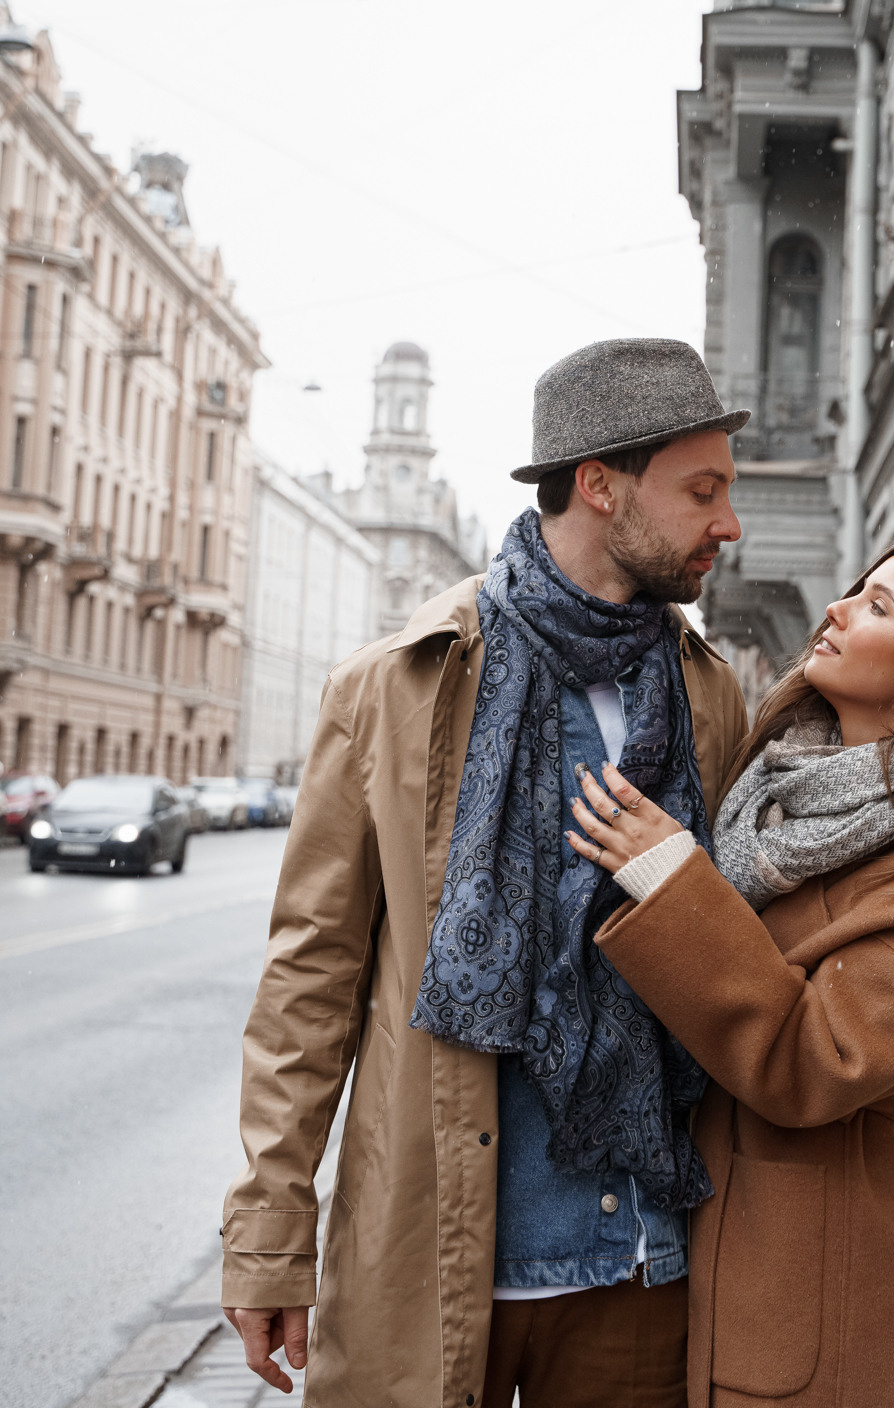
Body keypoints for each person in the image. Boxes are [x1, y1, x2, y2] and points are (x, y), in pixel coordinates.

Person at [221, 337, 751, 1408]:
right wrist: (272, 1233)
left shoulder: (707, 697)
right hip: (434, 1252)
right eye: (701, 491)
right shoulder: (395, 685)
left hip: (634, 1264)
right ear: (598, 487)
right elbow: (310, 980)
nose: (726, 524)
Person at [567, 537, 894, 1408]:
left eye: (877, 608)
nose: (836, 610)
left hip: (833, 1278)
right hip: (736, 1245)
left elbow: (813, 1064)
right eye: (856, 591)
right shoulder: (781, 792)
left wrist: (674, 884)